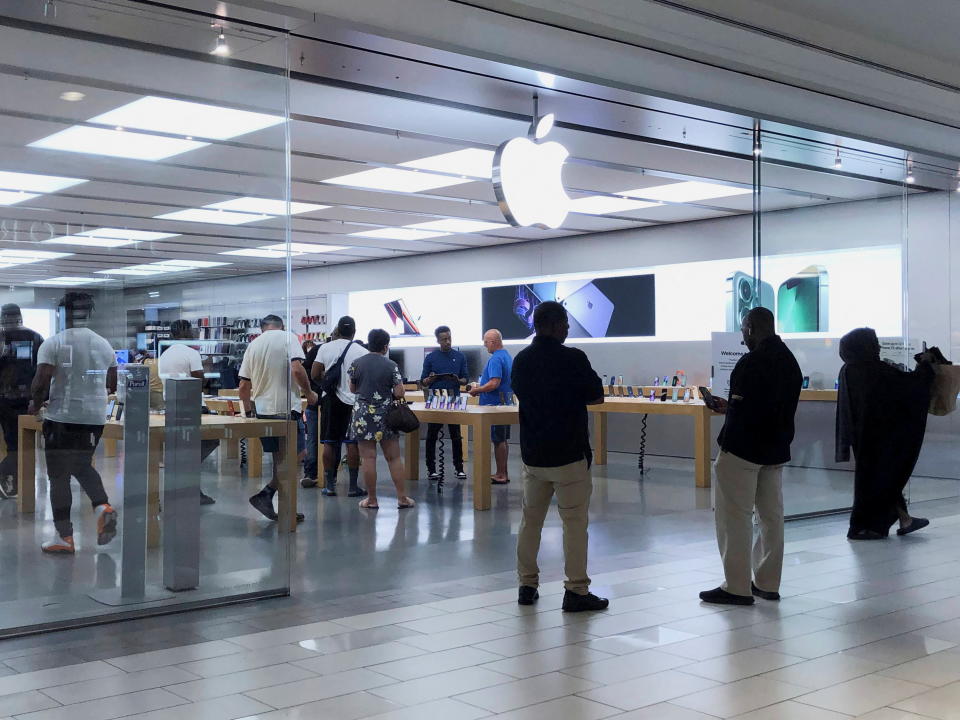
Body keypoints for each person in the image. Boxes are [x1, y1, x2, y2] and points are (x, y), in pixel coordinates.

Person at [700, 306, 802, 606]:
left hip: (743, 452)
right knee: (771, 518)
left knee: (735, 517)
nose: (743, 336)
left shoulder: (751, 362)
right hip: (775, 450)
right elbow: (769, 408)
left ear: (751, 327)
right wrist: (732, 407)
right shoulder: (789, 361)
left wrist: (727, 421)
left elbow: (745, 414)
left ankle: (736, 586)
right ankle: (768, 583)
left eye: (744, 330)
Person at [511, 301, 609, 612]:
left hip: (534, 456)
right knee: (575, 523)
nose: (568, 328)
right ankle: (576, 589)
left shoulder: (521, 361)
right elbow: (596, 395)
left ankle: (527, 585)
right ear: (554, 326)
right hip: (570, 455)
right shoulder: (574, 358)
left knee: (530, 522)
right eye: (565, 323)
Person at [30, 292, 118, 554]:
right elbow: (111, 384)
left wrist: (36, 402)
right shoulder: (104, 344)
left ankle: (64, 536)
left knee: (58, 476)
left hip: (63, 418)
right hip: (94, 419)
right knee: (81, 464)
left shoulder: (54, 343)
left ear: (62, 313)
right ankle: (102, 506)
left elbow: (41, 381)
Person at [836, 327, 934, 539]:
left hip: (864, 437)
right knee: (885, 478)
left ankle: (903, 519)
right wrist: (925, 366)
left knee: (882, 478)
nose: (878, 347)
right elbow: (908, 387)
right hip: (881, 438)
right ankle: (865, 526)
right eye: (875, 343)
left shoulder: (849, 369)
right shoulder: (873, 370)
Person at [239, 314, 317, 522]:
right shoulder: (288, 337)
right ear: (282, 326)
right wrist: (309, 393)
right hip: (285, 410)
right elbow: (297, 369)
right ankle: (268, 494)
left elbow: (244, 386)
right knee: (297, 455)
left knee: (279, 460)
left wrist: (248, 413)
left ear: (263, 328)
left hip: (263, 412)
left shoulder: (253, 345)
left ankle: (284, 508)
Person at [348, 328, 414, 510]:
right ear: (385, 346)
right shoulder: (391, 365)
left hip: (362, 415)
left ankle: (371, 499)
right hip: (386, 415)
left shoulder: (356, 363)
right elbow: (399, 391)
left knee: (368, 458)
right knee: (393, 458)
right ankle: (402, 498)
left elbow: (353, 389)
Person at [158, 319, 218, 504]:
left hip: (173, 405)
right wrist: (208, 367)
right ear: (186, 332)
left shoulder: (165, 355)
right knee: (211, 439)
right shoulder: (191, 353)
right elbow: (200, 382)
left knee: (184, 447)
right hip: (193, 405)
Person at [312, 317, 367, 497]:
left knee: (329, 442)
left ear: (337, 330)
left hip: (330, 400)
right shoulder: (361, 351)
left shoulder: (325, 348)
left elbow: (314, 373)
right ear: (354, 331)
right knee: (352, 444)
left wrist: (325, 384)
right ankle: (352, 486)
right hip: (353, 401)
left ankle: (329, 485)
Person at [0, 304, 43, 499]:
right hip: (25, 400)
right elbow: (42, 372)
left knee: (14, 444)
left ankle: (12, 484)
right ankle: (10, 481)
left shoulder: (3, 337)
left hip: (5, 399)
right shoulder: (35, 337)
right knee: (20, 444)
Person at [421, 325, 468, 481]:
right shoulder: (431, 358)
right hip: (436, 398)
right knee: (432, 435)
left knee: (456, 435)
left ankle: (459, 468)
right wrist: (430, 379)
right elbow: (423, 381)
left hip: (454, 398)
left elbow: (465, 379)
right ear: (438, 340)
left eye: (449, 338)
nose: (447, 341)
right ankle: (431, 469)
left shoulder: (460, 357)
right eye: (444, 339)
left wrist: (457, 380)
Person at [468, 329, 513, 484]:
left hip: (493, 406)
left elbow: (494, 383)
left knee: (498, 440)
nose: (484, 345)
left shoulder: (495, 359)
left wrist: (477, 390)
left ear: (493, 342)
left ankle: (501, 474)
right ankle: (503, 472)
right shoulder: (507, 356)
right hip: (504, 404)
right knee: (502, 439)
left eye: (486, 342)